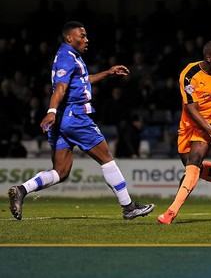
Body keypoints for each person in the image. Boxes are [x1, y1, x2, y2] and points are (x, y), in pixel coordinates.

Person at [7, 21, 154, 220]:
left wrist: (108, 73)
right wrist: (51, 110)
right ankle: (128, 207)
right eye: (82, 36)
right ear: (69, 37)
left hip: (62, 121)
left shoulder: (69, 56)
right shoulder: (67, 58)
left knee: (61, 172)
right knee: (106, 159)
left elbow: (84, 80)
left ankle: (22, 189)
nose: (86, 39)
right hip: (75, 117)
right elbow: (61, 88)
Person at [157, 40, 211, 225]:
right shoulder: (189, 75)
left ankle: (170, 212)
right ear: (209, 58)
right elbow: (191, 109)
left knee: (194, 162)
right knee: (191, 166)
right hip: (189, 121)